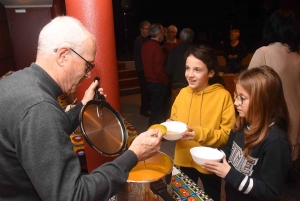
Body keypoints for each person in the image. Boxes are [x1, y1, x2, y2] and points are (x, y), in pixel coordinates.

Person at [0, 16, 163, 201]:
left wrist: (83, 106)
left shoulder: (15, 82)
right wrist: (134, 154)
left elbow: (47, 131)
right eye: (88, 65)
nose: (87, 75)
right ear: (63, 56)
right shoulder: (40, 108)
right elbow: (74, 196)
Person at [202, 66, 291, 201]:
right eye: (236, 95)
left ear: (263, 101)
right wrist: (217, 156)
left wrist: (229, 174)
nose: (236, 102)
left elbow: (271, 191)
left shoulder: (276, 142)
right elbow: (230, 151)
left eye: (242, 98)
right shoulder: (240, 124)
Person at [168, 45, 236, 201]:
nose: (190, 75)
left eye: (197, 70)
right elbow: (175, 120)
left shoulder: (222, 96)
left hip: (209, 162)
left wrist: (199, 133)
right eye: (187, 68)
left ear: (211, 73)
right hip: (183, 158)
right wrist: (170, 126)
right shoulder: (183, 93)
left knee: (211, 196)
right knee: (183, 196)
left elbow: (227, 135)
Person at [248, 9, 300, 162]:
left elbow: (248, 87)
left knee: (268, 172)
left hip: (272, 121)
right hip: (296, 120)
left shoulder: (263, 52)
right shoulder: (298, 55)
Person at [141, 23, 168, 127]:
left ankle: (153, 129)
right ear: (158, 34)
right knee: (158, 112)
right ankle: (154, 131)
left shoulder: (145, 46)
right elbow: (158, 70)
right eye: (162, 33)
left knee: (155, 109)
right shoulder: (157, 48)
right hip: (158, 83)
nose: (163, 35)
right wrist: (165, 81)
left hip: (149, 81)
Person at [167, 28, 194, 103]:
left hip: (178, 84)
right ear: (192, 39)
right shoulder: (197, 51)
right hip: (193, 84)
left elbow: (169, 70)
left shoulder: (173, 51)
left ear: (180, 38)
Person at [133, 20, 152, 117]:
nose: (148, 31)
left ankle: (147, 106)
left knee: (148, 89)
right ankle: (143, 109)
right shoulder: (138, 40)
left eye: (149, 29)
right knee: (144, 89)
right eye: (146, 29)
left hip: (147, 69)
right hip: (142, 69)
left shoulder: (148, 40)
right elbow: (142, 56)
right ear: (141, 29)